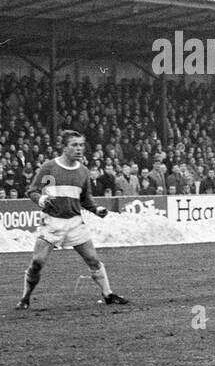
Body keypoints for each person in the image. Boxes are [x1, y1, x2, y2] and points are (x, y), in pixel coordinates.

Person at [15, 130, 129, 309]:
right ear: (64, 147)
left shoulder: (83, 171)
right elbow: (33, 190)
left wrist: (96, 209)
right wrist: (41, 199)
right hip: (52, 222)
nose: (79, 149)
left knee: (93, 260)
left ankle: (108, 294)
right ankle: (25, 298)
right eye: (74, 145)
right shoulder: (50, 168)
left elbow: (85, 198)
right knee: (37, 262)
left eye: (81, 145)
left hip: (75, 223)